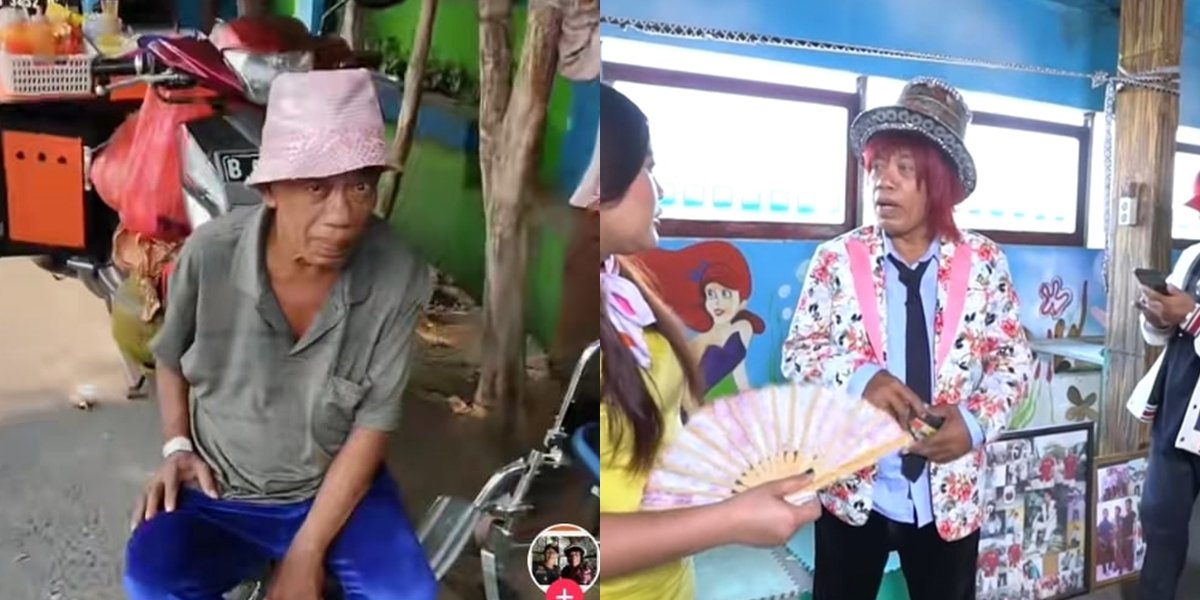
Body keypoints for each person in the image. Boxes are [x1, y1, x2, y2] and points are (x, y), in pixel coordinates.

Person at [121, 69, 436, 600]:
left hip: (335, 492)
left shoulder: (398, 273)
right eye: (317, 187)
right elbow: (170, 356)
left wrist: (305, 554)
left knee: (406, 593)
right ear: (269, 190)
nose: (342, 214)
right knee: (151, 581)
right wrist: (177, 447)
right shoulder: (210, 257)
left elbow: (372, 424)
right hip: (220, 491)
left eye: (361, 185)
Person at [781, 77, 1032, 600]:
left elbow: (1013, 363)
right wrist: (860, 379)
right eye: (877, 167)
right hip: (852, 492)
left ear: (938, 183)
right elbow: (799, 353)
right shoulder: (836, 261)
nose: (882, 183)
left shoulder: (984, 264)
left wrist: (975, 423)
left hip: (950, 496)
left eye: (904, 169)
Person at [592, 83, 821, 600]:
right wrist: (725, 522)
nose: (661, 188)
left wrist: (731, 486)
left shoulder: (622, 286)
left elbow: (652, 438)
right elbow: (554, 547)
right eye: (647, 167)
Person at [1131, 198, 1200, 598]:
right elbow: (1161, 339)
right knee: (1160, 532)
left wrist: (1192, 315)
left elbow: (1190, 320)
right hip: (1174, 419)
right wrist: (1156, 317)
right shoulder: (1193, 256)